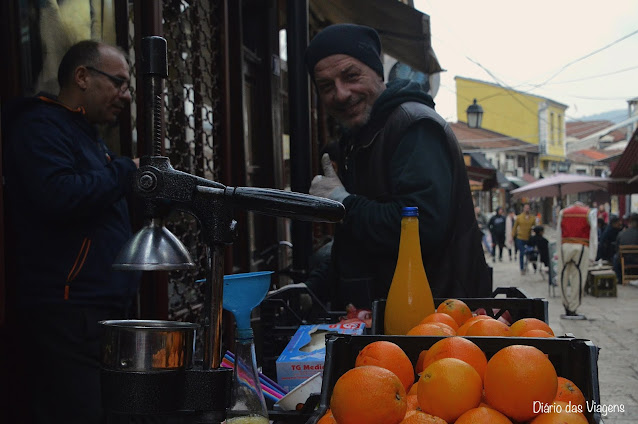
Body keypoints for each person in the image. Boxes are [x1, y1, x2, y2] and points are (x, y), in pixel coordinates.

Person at [304, 23, 491, 309]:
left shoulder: (414, 127)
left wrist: (343, 203)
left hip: (436, 319)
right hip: (394, 316)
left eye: (351, 76)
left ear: (377, 73)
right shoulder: (362, 133)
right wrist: (318, 285)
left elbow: (422, 227)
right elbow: (360, 241)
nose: (341, 94)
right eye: (326, 86)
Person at [2, 40, 140, 424]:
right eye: (119, 83)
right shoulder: (40, 127)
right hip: (68, 310)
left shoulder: (86, 134)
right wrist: (124, 171)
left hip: (100, 309)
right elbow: (57, 195)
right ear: (83, 76)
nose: (126, 96)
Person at [557, 201, 597, 319]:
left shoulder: (563, 213)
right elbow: (593, 234)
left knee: (562, 276)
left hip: (565, 246)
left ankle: (566, 304)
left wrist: (559, 251)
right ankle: (573, 307)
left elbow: (559, 232)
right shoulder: (588, 213)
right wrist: (592, 255)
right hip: (582, 246)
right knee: (578, 278)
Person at [613, 213, 638, 283]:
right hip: (637, 260)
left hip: (624, 261)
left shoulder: (621, 234)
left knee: (615, 257)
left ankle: (620, 278)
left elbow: (616, 248)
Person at [512, 204, 536, 275]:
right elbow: (515, 227)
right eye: (525, 208)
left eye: (528, 208)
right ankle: (522, 268)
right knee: (522, 253)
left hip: (528, 238)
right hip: (520, 237)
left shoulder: (532, 218)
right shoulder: (519, 217)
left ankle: (533, 265)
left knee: (530, 252)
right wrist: (512, 236)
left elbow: (534, 227)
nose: (527, 209)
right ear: (523, 209)